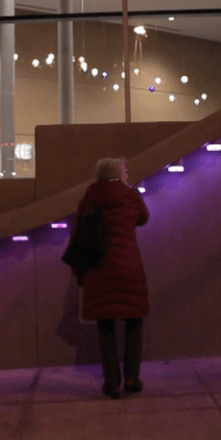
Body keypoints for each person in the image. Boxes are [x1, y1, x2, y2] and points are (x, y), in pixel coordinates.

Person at [73, 157, 150, 399]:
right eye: (125, 169)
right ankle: (131, 378)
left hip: (99, 269)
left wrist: (78, 272)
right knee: (133, 322)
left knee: (105, 327)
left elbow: (77, 235)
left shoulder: (89, 198)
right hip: (128, 266)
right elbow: (143, 218)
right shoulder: (130, 195)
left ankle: (111, 384)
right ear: (118, 172)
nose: (127, 172)